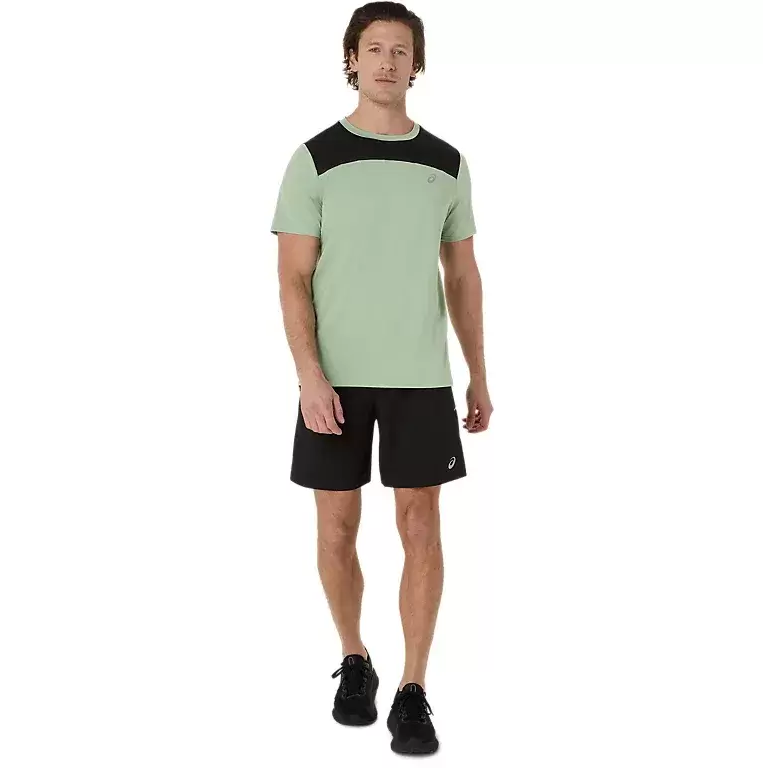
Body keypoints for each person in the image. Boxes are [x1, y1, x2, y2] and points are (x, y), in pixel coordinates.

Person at [270, 2, 491, 756]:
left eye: (401, 50)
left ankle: (413, 689)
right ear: (352, 60)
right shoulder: (314, 159)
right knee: (336, 528)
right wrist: (309, 375)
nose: (388, 61)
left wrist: (478, 375)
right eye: (375, 49)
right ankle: (355, 657)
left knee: (420, 528)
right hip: (333, 381)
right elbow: (292, 278)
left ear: (416, 65)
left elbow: (462, 276)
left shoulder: (447, 163)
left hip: (420, 379)